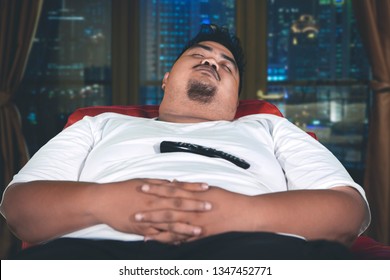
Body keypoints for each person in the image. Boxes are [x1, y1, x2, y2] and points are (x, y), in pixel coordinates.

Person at [0, 24, 370, 260]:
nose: (213, 62)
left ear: (237, 92)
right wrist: (107, 203)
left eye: (227, 65)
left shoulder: (269, 127)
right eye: (199, 56)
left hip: (254, 257)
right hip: (98, 253)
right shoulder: (99, 125)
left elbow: (346, 212)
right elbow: (20, 207)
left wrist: (240, 214)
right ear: (166, 79)